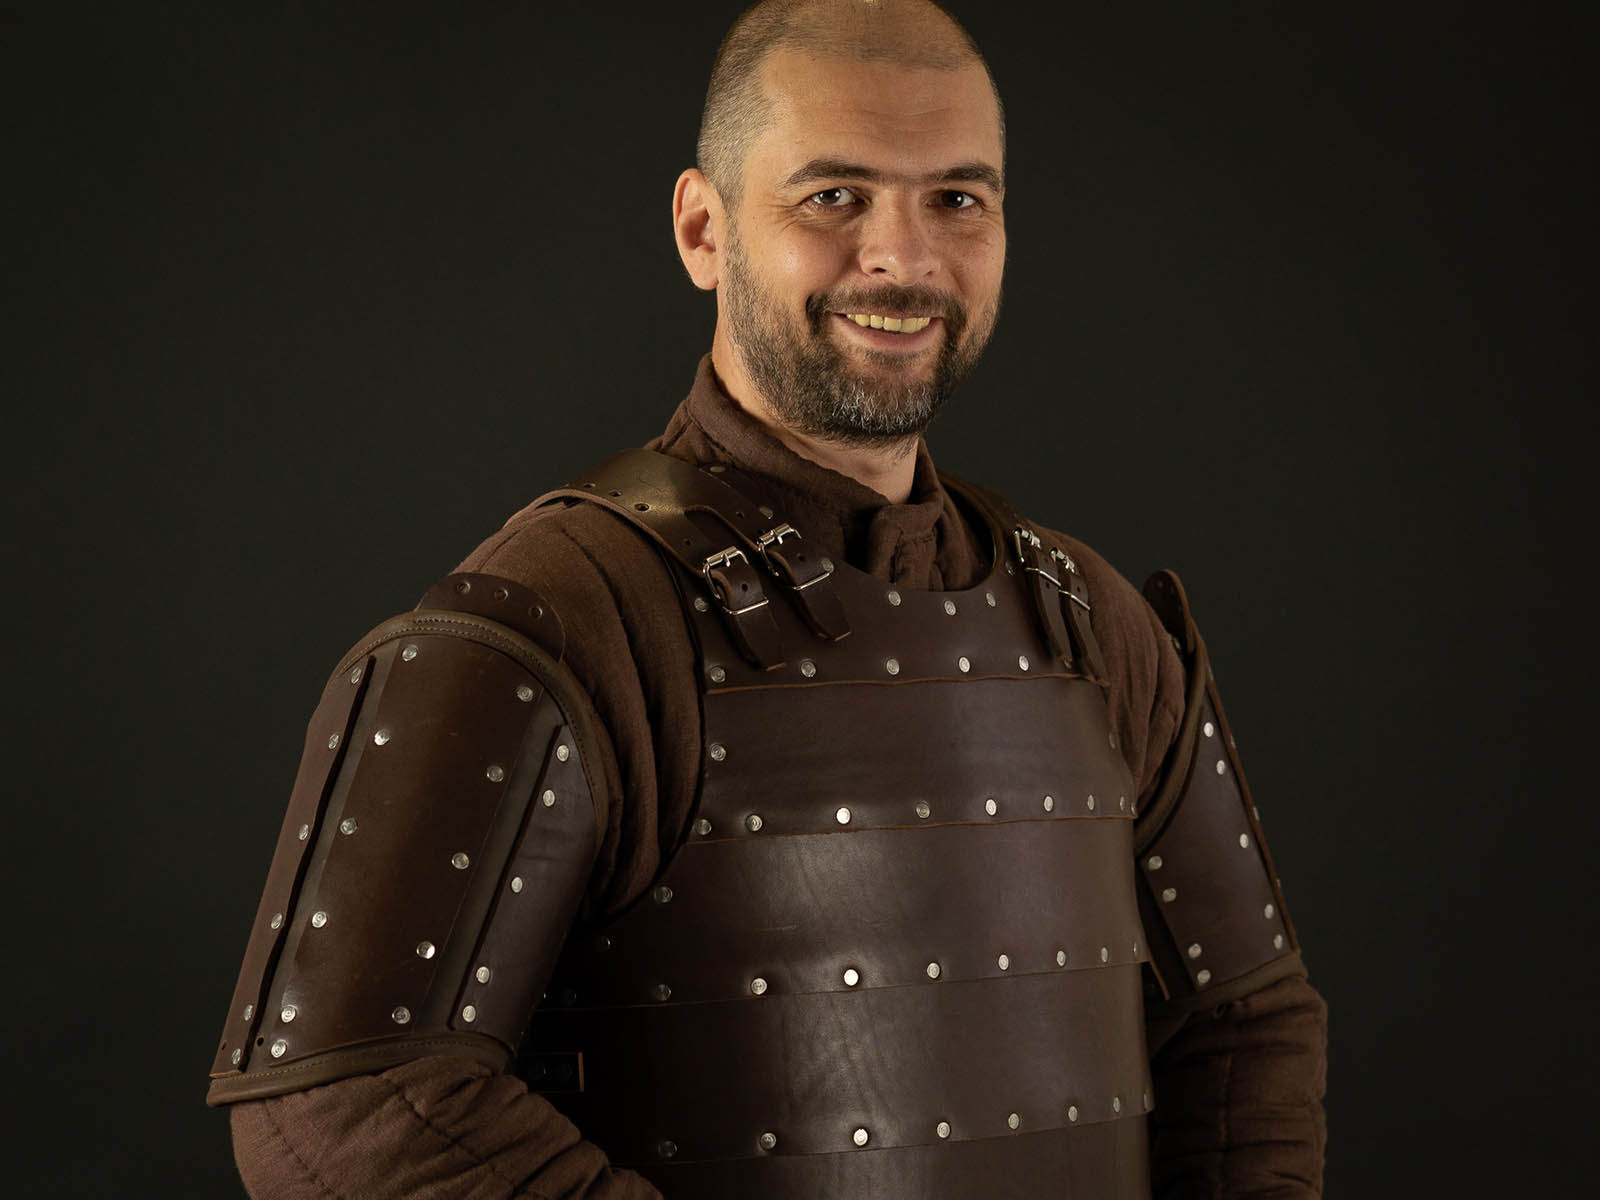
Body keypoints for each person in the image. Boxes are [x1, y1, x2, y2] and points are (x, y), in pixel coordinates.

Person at [206, 1, 1328, 1196]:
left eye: (957, 198)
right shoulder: (562, 619)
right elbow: (343, 1106)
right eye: (834, 196)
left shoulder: (1092, 624)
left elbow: (1245, 1031)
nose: (903, 257)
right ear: (704, 229)